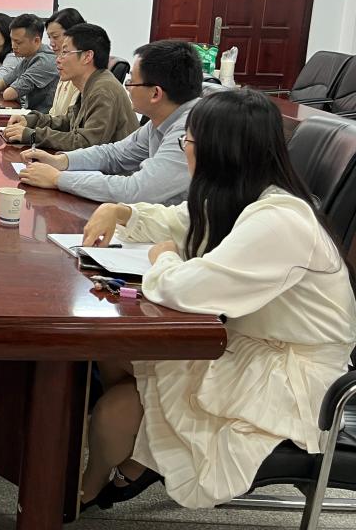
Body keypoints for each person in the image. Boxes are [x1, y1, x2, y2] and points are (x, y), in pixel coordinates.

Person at [76, 89, 356, 512]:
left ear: (219, 151)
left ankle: (91, 486)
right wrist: (122, 212)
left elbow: (187, 289)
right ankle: (133, 458)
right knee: (113, 353)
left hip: (292, 375)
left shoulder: (280, 221)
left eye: (187, 140)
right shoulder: (243, 196)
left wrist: (164, 257)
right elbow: (177, 222)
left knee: (118, 407)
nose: (184, 149)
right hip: (250, 346)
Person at [20, 40, 202, 205]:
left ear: (155, 93)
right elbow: (114, 154)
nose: (127, 88)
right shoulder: (162, 119)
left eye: (132, 82)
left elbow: (136, 191)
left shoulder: (191, 130)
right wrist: (61, 161)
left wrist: (58, 179)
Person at [2, 24, 136, 149]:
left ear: (87, 56)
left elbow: (86, 143)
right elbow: (68, 122)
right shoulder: (92, 83)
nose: (58, 59)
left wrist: (33, 135)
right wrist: (31, 121)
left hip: (116, 167)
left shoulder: (103, 90)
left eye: (65, 52)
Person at [44, 8, 86, 117]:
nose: (51, 43)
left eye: (55, 37)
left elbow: (70, 122)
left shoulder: (83, 72)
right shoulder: (64, 66)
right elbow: (54, 114)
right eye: (49, 37)